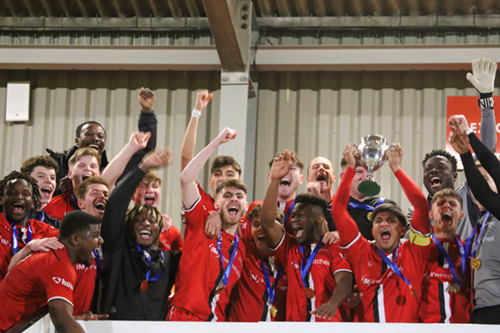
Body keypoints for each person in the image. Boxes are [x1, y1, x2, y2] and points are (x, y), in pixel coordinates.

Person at [332, 144, 432, 322]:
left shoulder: (415, 252)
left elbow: (421, 205)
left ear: (403, 230)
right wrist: (349, 168)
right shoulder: (361, 251)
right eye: (378, 221)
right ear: (372, 231)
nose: (383, 224)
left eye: (391, 220)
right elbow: (338, 210)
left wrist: (396, 168)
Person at [260, 150, 353, 322]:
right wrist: (274, 180)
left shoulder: (334, 248)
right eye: (293, 216)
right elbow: (266, 222)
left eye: (300, 216)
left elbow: (345, 281)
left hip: (328, 327)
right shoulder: (289, 247)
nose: (294, 221)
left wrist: (332, 303)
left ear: (319, 220)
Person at [8, 176, 110, 317]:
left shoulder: (103, 243)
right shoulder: (54, 236)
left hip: (79, 322)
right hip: (51, 324)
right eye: (95, 193)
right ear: (80, 203)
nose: (102, 197)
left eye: (106, 194)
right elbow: (11, 270)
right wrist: (29, 247)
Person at [418, 58, 497, 240]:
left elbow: (487, 151)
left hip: (467, 267)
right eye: (428, 169)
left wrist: (486, 100)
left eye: (441, 168)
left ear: (455, 175)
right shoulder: (417, 210)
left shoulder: (467, 196)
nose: (434, 171)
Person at [100, 149, 181, 321]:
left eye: (152, 221)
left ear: (160, 230)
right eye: (139, 220)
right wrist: (142, 168)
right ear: (129, 226)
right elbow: (114, 205)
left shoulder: (170, 260)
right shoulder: (118, 250)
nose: (146, 223)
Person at [0, 210, 104, 333]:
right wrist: (70, 321)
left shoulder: (53, 250)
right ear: (75, 239)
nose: (101, 240)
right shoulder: (59, 264)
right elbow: (63, 322)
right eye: (95, 235)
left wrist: (73, 319)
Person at [168, 170, 249, 321]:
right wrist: (215, 144)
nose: (234, 200)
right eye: (227, 196)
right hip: (185, 315)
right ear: (216, 203)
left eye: (239, 196)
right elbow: (186, 178)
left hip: (216, 323)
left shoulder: (241, 249)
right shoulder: (203, 223)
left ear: (246, 206)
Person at [47, 87, 157, 195]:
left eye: (100, 136)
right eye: (89, 134)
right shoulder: (57, 164)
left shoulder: (111, 172)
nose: (95, 138)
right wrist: (58, 191)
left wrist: (147, 112)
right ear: (77, 140)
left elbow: (145, 150)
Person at [449, 114, 500, 324]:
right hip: (483, 309)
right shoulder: (486, 218)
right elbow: (491, 175)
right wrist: (466, 147)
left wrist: (468, 146)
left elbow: (491, 181)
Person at [44, 132, 150, 221]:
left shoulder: (109, 205)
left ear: (99, 174)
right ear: (70, 174)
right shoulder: (50, 207)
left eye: (93, 166)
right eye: (81, 165)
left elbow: (108, 179)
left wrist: (131, 147)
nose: (88, 169)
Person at [227, 205, 288, 322]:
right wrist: (214, 215)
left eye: (267, 224)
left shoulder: (290, 257)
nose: (261, 228)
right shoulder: (244, 251)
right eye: (256, 224)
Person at [419, 188, 471, 323]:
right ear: (430, 214)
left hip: (463, 327)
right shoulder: (418, 250)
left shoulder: (470, 250)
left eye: (452, 204)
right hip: (426, 327)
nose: (446, 206)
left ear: (461, 215)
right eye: (441, 203)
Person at [0, 171, 56, 282]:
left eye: (26, 194)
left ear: (32, 203)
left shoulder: (44, 230)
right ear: (1, 199)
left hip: (27, 296)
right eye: (12, 193)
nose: (19, 197)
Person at [339, 157, 396, 241]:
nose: (366, 176)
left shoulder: (387, 206)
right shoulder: (334, 210)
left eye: (370, 173)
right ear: (344, 176)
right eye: (359, 172)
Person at [132, 171, 183, 251]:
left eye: (155, 186)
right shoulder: (121, 223)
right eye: (144, 186)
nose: (150, 190)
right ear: (132, 194)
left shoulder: (172, 232)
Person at [20, 155, 61, 228]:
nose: (49, 181)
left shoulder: (56, 226)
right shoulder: (6, 216)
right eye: (41, 176)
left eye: (52, 178)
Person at [306, 156, 337, 231]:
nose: (321, 168)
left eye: (326, 167)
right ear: (308, 180)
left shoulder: (344, 205)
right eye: (316, 167)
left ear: (334, 179)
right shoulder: (301, 208)